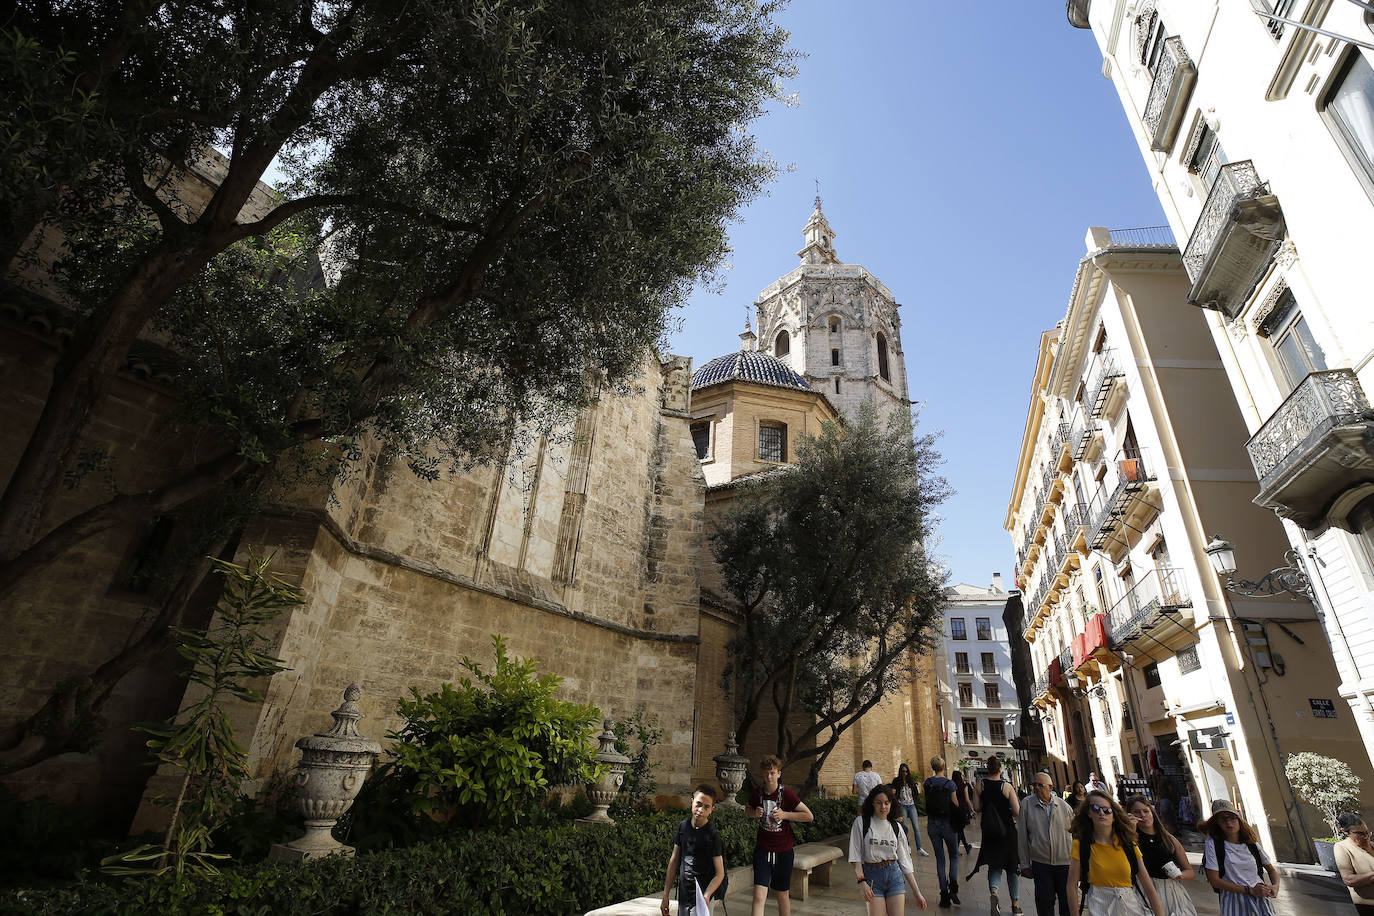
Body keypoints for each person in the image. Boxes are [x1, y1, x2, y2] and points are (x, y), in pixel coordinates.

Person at [1067, 789, 1165, 916]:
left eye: (1106, 809)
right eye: (1095, 808)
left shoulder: (1128, 843)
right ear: (1089, 813)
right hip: (1100, 908)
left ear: (1114, 815)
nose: (1101, 813)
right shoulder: (1081, 845)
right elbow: (1071, 885)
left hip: (1130, 908)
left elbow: (1149, 888)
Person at [747, 754, 814, 916]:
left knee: (782, 894)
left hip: (783, 851)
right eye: (766, 773)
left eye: (772, 773)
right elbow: (747, 810)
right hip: (762, 850)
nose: (769, 777)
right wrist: (754, 813)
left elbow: (808, 816)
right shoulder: (758, 793)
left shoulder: (787, 794)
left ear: (779, 774)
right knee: (758, 895)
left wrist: (785, 815)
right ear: (762, 774)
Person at [849, 785, 930, 914]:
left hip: (894, 876)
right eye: (879, 803)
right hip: (872, 877)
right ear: (872, 803)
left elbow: (905, 862)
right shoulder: (861, 822)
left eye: (887, 803)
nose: (883, 807)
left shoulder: (896, 827)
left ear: (891, 804)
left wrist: (917, 892)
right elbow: (855, 855)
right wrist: (862, 881)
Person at [1200, 799, 1279, 916]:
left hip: (1261, 901)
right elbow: (1214, 881)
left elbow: (1271, 870)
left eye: (1232, 818)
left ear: (1238, 819)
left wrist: (1275, 887)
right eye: (1223, 819)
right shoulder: (1213, 845)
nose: (1229, 823)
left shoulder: (1252, 845)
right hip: (1233, 902)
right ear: (1216, 822)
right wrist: (1249, 890)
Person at [968, 755, 1023, 916]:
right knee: (1012, 867)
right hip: (1007, 830)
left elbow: (976, 808)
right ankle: (1015, 905)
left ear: (987, 768)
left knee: (995, 864)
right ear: (1000, 769)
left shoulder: (980, 784)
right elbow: (1017, 811)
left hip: (990, 831)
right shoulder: (1007, 787)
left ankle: (994, 893)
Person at [1126, 794, 1197, 916]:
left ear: (1153, 813)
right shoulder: (1131, 840)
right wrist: (1130, 830)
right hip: (1144, 893)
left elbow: (1190, 872)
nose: (1143, 815)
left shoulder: (1169, 839)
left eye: (1146, 811)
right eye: (1137, 812)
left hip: (1172, 892)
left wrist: (1180, 875)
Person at [661, 784, 726, 916]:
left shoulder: (713, 836)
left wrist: (706, 896)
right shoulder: (683, 828)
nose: (700, 810)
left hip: (702, 895)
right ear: (691, 802)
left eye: (706, 806)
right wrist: (666, 895)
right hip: (684, 894)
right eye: (698, 804)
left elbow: (720, 874)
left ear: (712, 809)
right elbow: (674, 861)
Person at [1017, 772, 1074, 916]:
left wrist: (1077, 864)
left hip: (1064, 864)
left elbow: (1074, 836)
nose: (1036, 788)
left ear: (1050, 787)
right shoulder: (1027, 805)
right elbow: (1022, 836)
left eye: (1040, 785)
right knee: (1044, 902)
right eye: (1034, 784)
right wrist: (1024, 864)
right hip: (1041, 863)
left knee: (1066, 903)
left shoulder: (1064, 806)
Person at [922, 755, 962, 909]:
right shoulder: (949, 783)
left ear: (933, 767)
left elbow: (926, 801)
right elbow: (955, 803)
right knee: (953, 856)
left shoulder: (928, 783)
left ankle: (944, 895)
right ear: (944, 767)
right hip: (948, 824)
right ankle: (953, 886)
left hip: (932, 823)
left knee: (940, 859)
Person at [1335, 813, 1374, 915]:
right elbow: (1348, 879)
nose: (1366, 837)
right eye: (1360, 833)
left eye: (1367, 832)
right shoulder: (1342, 848)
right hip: (1367, 905)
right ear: (1345, 832)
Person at [892, 763, 931, 857]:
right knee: (904, 827)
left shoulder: (911, 781)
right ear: (900, 772)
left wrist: (915, 802)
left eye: (906, 771)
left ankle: (919, 848)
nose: (904, 773)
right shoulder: (897, 781)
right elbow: (893, 792)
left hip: (911, 805)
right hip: (903, 805)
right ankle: (907, 846)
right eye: (903, 771)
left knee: (916, 827)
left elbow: (915, 793)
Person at [952, 770, 975, 854]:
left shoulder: (951, 785)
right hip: (962, 809)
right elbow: (967, 799)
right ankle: (960, 848)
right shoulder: (964, 785)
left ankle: (965, 847)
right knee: (960, 829)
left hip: (954, 809)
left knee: (959, 829)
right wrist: (972, 808)